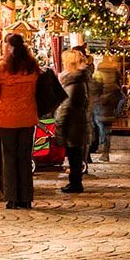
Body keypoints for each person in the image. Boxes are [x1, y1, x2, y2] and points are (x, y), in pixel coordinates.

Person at [0, 34, 40, 210]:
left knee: (9, 158)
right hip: (27, 118)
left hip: (7, 119)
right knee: (25, 157)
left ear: (9, 48)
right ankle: (26, 198)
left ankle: (12, 198)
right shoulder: (32, 66)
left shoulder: (1, 68)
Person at [55, 49, 92, 194]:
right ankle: (75, 182)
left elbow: (66, 107)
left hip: (73, 125)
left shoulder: (74, 83)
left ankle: (75, 183)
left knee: (74, 155)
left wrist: (59, 123)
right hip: (77, 124)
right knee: (74, 155)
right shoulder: (78, 80)